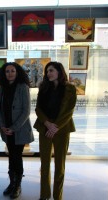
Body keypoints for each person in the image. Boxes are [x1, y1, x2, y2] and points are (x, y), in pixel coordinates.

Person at [33, 62, 77, 200]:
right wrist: (47, 124)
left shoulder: (70, 88)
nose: (48, 74)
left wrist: (55, 126)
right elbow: (38, 109)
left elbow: (69, 111)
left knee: (60, 166)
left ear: (59, 71)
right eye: (47, 71)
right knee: (44, 164)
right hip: (45, 128)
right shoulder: (43, 87)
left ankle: (58, 196)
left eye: (51, 70)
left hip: (62, 129)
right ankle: (44, 195)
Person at [0, 62, 34, 199]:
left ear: (17, 72)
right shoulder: (3, 87)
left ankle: (18, 185)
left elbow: (26, 111)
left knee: (16, 156)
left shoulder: (23, 87)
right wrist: (1, 125)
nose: (10, 73)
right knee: (11, 155)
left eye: (12, 71)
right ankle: (12, 183)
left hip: (19, 130)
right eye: (7, 71)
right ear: (4, 74)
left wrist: (13, 128)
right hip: (6, 129)